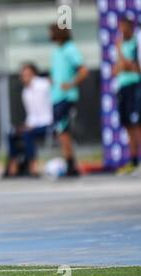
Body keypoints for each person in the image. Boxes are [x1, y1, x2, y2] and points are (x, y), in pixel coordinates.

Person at [49, 23, 89, 177]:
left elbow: (83, 71)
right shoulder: (56, 51)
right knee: (60, 131)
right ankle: (68, 162)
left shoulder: (70, 49)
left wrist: (71, 84)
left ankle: (70, 165)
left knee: (63, 130)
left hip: (66, 97)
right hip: (57, 96)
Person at [6, 63, 53, 177]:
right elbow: (31, 115)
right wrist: (27, 125)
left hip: (48, 122)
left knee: (28, 134)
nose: (24, 77)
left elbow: (52, 84)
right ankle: (13, 166)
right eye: (23, 75)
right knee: (12, 134)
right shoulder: (26, 92)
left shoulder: (42, 85)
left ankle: (33, 166)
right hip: (34, 124)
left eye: (27, 74)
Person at [114, 18, 141, 175]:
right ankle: (133, 160)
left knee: (137, 124)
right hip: (123, 87)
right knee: (128, 126)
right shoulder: (121, 45)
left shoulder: (135, 45)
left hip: (135, 86)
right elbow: (116, 69)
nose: (122, 30)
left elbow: (135, 68)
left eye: (124, 27)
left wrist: (121, 55)